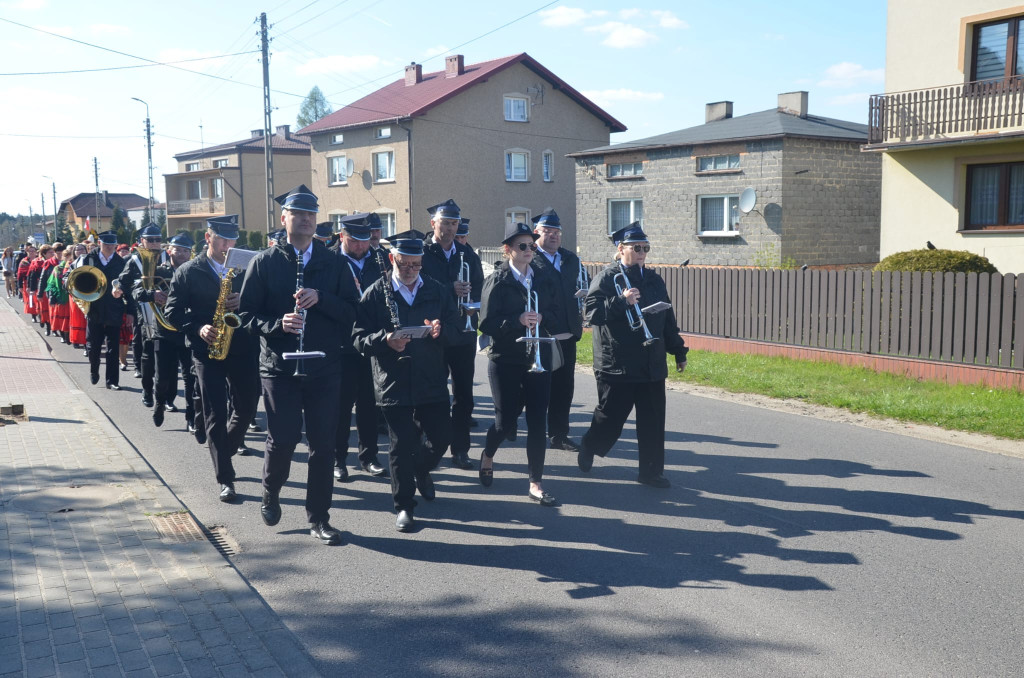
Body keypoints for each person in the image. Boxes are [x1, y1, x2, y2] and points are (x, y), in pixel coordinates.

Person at [239, 184, 358, 545]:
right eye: (298, 214)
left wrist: (322, 298)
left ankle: (319, 518)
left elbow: (353, 313)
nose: (305, 220)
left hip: (324, 366)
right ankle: (271, 492)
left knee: (323, 445)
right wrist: (278, 325)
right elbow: (244, 317)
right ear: (284, 218)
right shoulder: (265, 262)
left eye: (311, 214)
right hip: (279, 367)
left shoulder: (334, 262)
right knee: (284, 438)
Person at [352, 229, 461, 532]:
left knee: (442, 437)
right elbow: (358, 339)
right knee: (401, 445)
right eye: (405, 265)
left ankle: (421, 470)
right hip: (393, 379)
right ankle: (404, 506)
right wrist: (384, 340)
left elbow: (457, 328)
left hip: (430, 378)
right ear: (392, 259)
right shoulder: (376, 292)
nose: (411, 271)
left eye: (417, 265)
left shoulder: (437, 290)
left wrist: (442, 330)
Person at [576, 223, 689, 488]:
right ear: (621, 249)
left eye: (645, 248)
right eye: (636, 248)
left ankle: (650, 472)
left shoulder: (653, 279)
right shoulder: (607, 278)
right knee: (610, 417)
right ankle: (590, 444)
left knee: (652, 421)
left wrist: (678, 350)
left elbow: (667, 318)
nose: (642, 253)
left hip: (651, 362)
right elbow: (591, 314)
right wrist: (621, 301)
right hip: (618, 363)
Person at [165, 216, 259, 502]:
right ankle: (225, 478)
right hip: (207, 350)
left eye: (232, 241)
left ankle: (224, 449)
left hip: (242, 347)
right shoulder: (189, 271)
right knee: (216, 412)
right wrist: (197, 327)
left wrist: (244, 300)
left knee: (247, 407)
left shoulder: (246, 267)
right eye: (222, 241)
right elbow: (172, 312)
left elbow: (264, 302)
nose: (228, 247)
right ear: (208, 238)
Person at [478, 222, 561, 506]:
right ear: (508, 250)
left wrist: (541, 318)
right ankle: (488, 454)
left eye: (531, 245)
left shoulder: (542, 277)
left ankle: (535, 482)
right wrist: (517, 320)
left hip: (538, 356)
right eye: (522, 246)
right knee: (505, 423)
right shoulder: (497, 280)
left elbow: (554, 310)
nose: (529, 250)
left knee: (538, 421)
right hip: (506, 359)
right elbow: (485, 323)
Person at [420, 199, 483, 470]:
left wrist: (472, 304)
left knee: (464, 395)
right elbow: (418, 289)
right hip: (433, 331)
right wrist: (450, 289)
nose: (450, 228)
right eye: (445, 222)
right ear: (433, 223)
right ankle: (428, 448)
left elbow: (479, 288)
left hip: (463, 332)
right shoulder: (421, 253)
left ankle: (460, 449)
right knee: (431, 392)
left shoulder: (467, 254)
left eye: (454, 223)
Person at [332, 212, 387, 481]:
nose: (361, 246)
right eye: (355, 241)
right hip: (340, 342)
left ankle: (369, 456)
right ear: (343, 236)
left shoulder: (378, 259)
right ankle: (338, 458)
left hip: (369, 341)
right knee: (341, 407)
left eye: (365, 241)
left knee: (369, 404)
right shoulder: (331, 260)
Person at [530, 209, 584, 453]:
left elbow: (582, 284)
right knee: (537, 387)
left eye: (557, 231)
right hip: (542, 333)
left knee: (564, 388)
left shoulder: (570, 259)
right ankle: (529, 430)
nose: (553, 235)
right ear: (536, 233)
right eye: (547, 231)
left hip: (567, 333)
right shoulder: (530, 258)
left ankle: (559, 434)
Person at [146, 233, 196, 430]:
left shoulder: (194, 271)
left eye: (186, 251)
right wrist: (153, 293)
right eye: (178, 250)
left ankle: (191, 418)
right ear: (169, 251)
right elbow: (136, 291)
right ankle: (159, 404)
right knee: (163, 377)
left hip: (186, 330)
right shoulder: (158, 270)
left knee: (191, 377)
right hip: (163, 332)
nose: (182, 254)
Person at [115, 224, 164, 407]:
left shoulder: (168, 257)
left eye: (157, 239)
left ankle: (166, 395)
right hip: (145, 313)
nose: (154, 243)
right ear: (142, 241)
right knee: (148, 354)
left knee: (168, 357)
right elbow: (123, 282)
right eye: (150, 240)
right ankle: (147, 389)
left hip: (169, 312)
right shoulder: (133, 260)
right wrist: (118, 290)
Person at [80, 231, 126, 390]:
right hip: (95, 307)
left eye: (112, 244)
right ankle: (94, 370)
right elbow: (79, 278)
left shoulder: (121, 262)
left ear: (116, 245)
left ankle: (112, 381)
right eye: (106, 244)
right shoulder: (89, 259)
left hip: (114, 308)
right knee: (93, 345)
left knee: (113, 347)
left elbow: (126, 283)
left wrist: (122, 292)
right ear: (100, 244)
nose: (109, 247)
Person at [67, 243, 88, 349]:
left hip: (88, 293)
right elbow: (65, 278)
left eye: (82, 249)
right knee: (76, 317)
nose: (80, 251)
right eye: (77, 250)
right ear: (74, 252)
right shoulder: (71, 264)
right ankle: (76, 339)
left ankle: (86, 342)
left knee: (86, 318)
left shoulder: (90, 262)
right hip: (75, 294)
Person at [17, 245, 37, 317]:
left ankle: (40, 314)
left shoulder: (39, 260)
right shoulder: (24, 262)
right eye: (30, 251)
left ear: (36, 252)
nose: (31, 252)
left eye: (33, 251)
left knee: (37, 299)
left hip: (37, 282)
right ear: (27, 252)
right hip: (26, 283)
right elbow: (19, 274)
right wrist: (19, 286)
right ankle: (33, 315)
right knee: (30, 299)